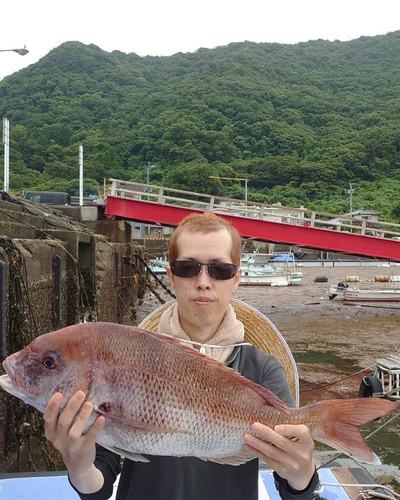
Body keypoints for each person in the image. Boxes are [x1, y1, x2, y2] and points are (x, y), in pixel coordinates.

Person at [43, 212, 319, 500]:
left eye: (220, 270)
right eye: (188, 268)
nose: (203, 282)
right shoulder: (128, 358)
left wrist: (301, 473)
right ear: (171, 275)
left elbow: (291, 485)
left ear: (236, 279)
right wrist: (79, 465)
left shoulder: (261, 369)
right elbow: (100, 480)